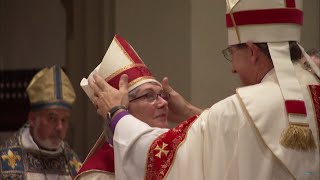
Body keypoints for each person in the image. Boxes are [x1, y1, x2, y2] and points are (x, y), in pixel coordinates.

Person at [90, 0, 320, 179]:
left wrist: (117, 114)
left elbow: (162, 157)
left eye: (232, 53)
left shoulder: (242, 108)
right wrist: (190, 111)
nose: (232, 68)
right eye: (149, 96)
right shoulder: (313, 91)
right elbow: (241, 133)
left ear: (252, 51)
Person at [74, 35, 173, 180]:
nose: (163, 103)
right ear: (124, 108)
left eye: (162, 95)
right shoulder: (98, 175)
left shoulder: (170, 152)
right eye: (149, 96)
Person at [0, 65, 82, 179]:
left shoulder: (73, 165)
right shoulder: (6, 162)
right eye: (52, 118)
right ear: (33, 119)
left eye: (64, 120)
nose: (59, 127)